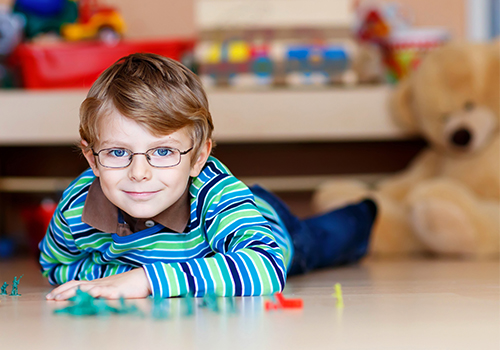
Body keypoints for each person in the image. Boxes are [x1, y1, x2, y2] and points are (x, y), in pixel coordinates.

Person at [41, 53, 377, 301]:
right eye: (117, 153)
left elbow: (266, 267)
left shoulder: (214, 193)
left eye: (163, 152)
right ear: (91, 158)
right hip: (214, 249)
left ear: (199, 157)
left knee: (327, 238)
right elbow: (54, 265)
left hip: (266, 225)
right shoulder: (76, 206)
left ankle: (365, 212)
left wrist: (147, 279)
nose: (139, 173)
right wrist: (118, 276)